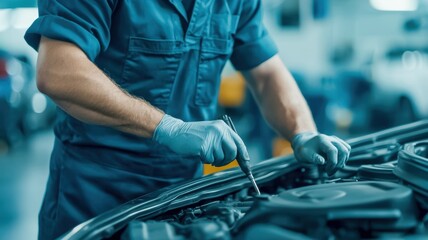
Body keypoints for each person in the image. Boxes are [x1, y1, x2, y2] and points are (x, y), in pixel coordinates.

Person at [25, 0, 351, 239]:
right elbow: (58, 71)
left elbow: (266, 73)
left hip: (187, 195)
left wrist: (303, 133)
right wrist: (169, 127)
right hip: (95, 194)